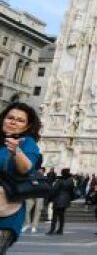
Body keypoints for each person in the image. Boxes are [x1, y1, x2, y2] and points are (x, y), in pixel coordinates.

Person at [0, 103, 42, 254]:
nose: (13, 121)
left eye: (19, 120)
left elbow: (26, 168)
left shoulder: (27, 144)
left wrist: (16, 150)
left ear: (26, 127)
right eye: (10, 118)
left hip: (5, 213)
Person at [46, 168, 75, 235]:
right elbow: (72, 190)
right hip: (66, 200)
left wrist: (50, 197)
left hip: (58, 199)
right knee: (62, 216)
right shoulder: (71, 181)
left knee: (54, 216)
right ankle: (60, 229)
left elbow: (54, 190)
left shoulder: (60, 181)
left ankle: (52, 230)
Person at [22, 168, 46, 234]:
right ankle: (27, 224)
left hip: (40, 196)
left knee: (37, 211)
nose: (39, 172)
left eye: (41, 171)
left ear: (43, 172)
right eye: (38, 171)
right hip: (30, 195)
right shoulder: (31, 176)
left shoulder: (44, 179)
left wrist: (39, 184)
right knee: (26, 210)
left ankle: (34, 226)